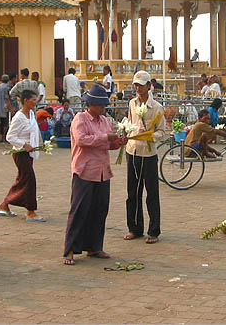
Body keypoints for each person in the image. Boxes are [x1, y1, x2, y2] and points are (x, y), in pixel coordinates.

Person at [63, 84, 126, 265]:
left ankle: (94, 247)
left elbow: (107, 145)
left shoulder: (105, 121)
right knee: (79, 210)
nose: (102, 109)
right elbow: (83, 141)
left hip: (102, 172)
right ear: (90, 104)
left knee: (99, 210)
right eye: (100, 105)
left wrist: (118, 142)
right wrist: (106, 138)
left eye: (104, 106)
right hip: (84, 171)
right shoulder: (80, 119)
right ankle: (69, 250)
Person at [123, 71, 166, 244]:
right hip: (132, 151)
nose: (138, 88)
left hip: (148, 154)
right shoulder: (132, 103)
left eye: (141, 85)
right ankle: (134, 228)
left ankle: (154, 230)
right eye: (136, 85)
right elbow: (130, 122)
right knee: (133, 192)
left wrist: (150, 136)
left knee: (152, 193)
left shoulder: (157, 107)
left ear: (149, 86)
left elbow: (162, 131)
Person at [0, 90, 46, 221]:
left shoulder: (31, 114)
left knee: (22, 180)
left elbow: (35, 131)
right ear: (26, 101)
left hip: (30, 153)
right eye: (34, 100)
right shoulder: (18, 117)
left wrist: (40, 145)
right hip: (21, 153)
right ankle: (31, 211)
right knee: (29, 180)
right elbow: (10, 136)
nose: (36, 102)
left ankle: (5, 204)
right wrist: (24, 145)